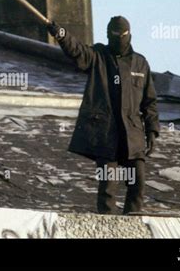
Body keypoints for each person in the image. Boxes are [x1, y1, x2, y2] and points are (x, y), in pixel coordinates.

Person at [47, 16, 160, 215]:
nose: (119, 39)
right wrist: (61, 35)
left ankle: (132, 226)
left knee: (138, 184)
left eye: (122, 35)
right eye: (114, 35)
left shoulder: (140, 64)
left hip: (132, 137)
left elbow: (149, 102)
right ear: (108, 35)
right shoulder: (97, 56)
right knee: (108, 187)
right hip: (106, 136)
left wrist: (152, 131)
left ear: (130, 35)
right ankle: (107, 229)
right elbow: (77, 51)